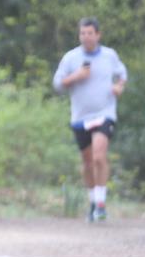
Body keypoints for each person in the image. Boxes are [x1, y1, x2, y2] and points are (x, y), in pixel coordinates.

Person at [52, 18, 128, 222]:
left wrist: (119, 87)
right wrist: (76, 76)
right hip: (80, 117)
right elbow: (58, 84)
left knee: (98, 156)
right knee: (87, 162)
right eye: (82, 33)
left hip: (105, 113)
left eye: (90, 33)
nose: (86, 37)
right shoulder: (71, 58)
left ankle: (102, 203)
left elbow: (122, 74)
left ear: (98, 35)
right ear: (79, 36)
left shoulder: (109, 55)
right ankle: (93, 200)